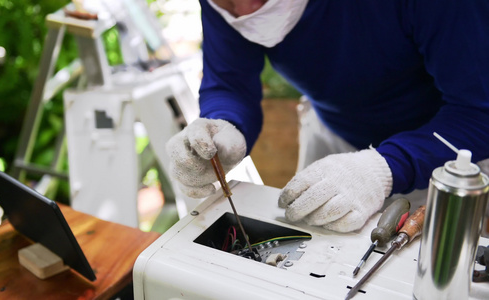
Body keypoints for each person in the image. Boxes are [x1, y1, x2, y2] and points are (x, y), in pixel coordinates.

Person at [166, 0, 489, 232]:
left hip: (450, 147)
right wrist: (224, 125)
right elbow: (230, 82)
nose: (244, 11)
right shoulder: (228, 4)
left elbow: (480, 112)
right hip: (334, 131)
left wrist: (386, 167)